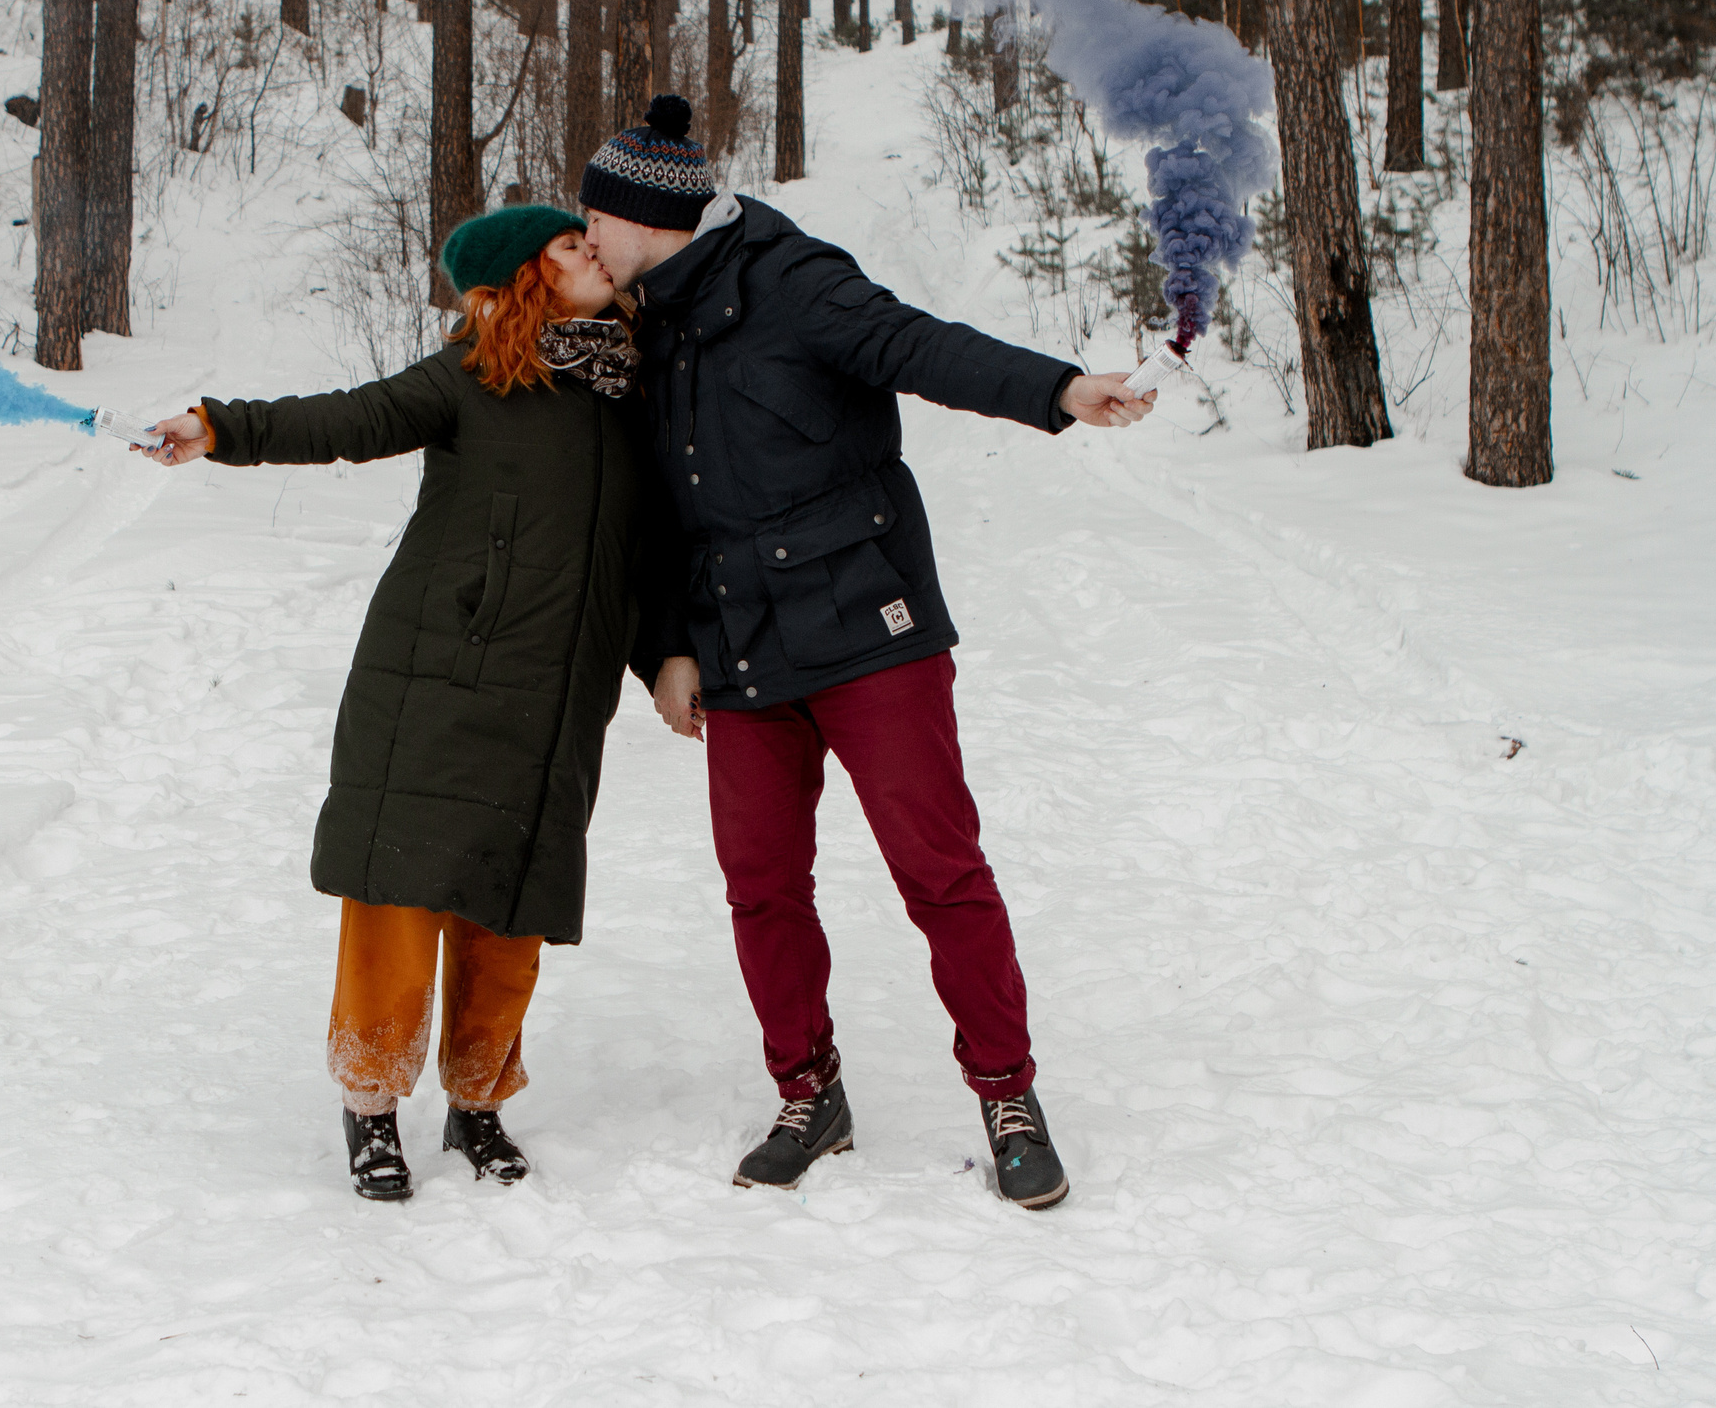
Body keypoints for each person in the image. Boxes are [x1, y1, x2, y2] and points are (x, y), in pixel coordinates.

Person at [580, 94, 1156, 1212]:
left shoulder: (792, 280)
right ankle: (809, 1091)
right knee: (759, 886)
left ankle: (1006, 1094)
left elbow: (915, 344)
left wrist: (1055, 388)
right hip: (736, 645)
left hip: (864, 625)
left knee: (938, 872)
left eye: (593, 213)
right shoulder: (637, 326)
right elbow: (646, 509)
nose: (583, 233)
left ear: (649, 216)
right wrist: (663, 648)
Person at [137, 206, 655, 1202]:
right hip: (434, 676)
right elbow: (349, 417)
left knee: (512, 911)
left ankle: (477, 1097)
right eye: (565, 245)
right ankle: (371, 1104)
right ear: (519, 279)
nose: (591, 250)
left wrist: (668, 657)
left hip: (554, 698)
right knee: (398, 901)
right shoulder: (466, 378)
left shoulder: (634, 393)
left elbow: (650, 556)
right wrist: (223, 427)